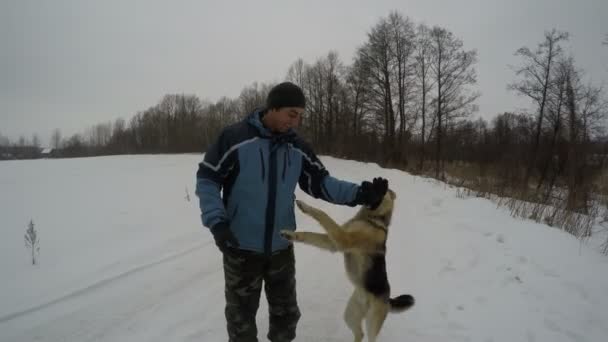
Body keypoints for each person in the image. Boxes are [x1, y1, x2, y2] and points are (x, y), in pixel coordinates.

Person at [195, 82, 388, 342]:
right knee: (241, 322)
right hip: (240, 250)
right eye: (291, 114)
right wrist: (217, 223)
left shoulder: (297, 147)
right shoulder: (235, 139)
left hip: (281, 250)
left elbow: (321, 183)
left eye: (300, 116)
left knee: (286, 316)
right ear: (272, 108)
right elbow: (207, 179)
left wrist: (360, 194)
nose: (296, 122)